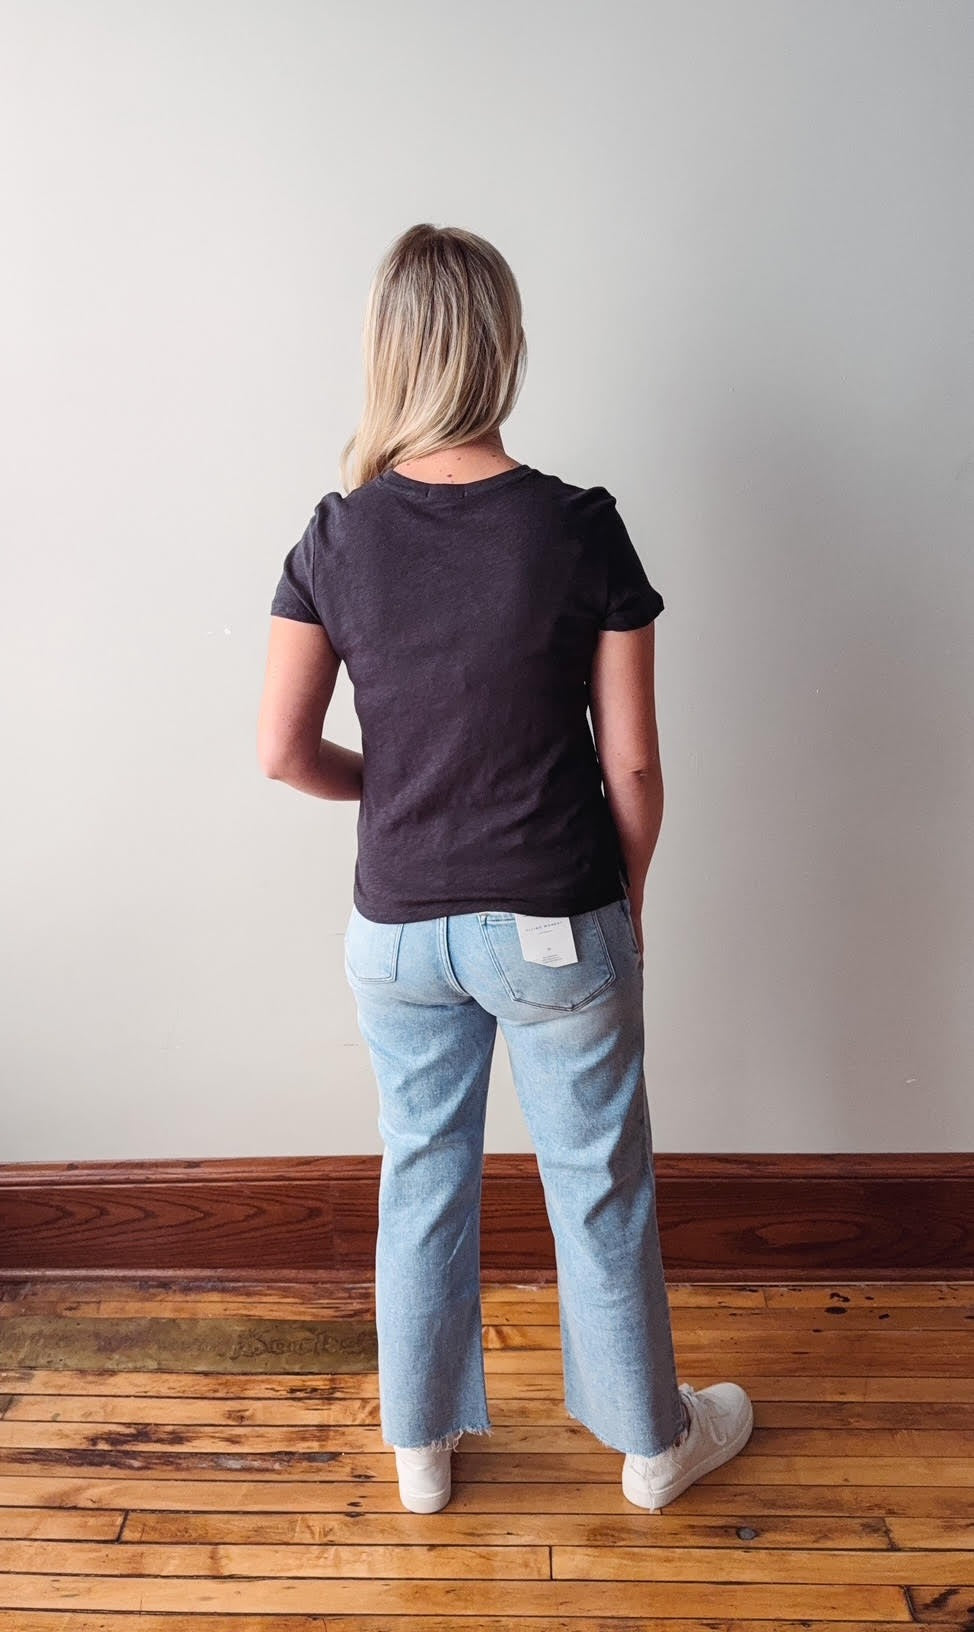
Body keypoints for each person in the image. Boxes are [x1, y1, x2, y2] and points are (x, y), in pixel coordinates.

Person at [258, 222, 754, 1515]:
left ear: (389, 355)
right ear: (502, 348)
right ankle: (653, 1446)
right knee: (596, 1179)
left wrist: (403, 789)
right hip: (552, 917)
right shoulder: (576, 527)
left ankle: (420, 1451)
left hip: (398, 933)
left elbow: (281, 752)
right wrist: (623, 905)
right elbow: (633, 767)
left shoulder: (336, 534)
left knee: (420, 1172)